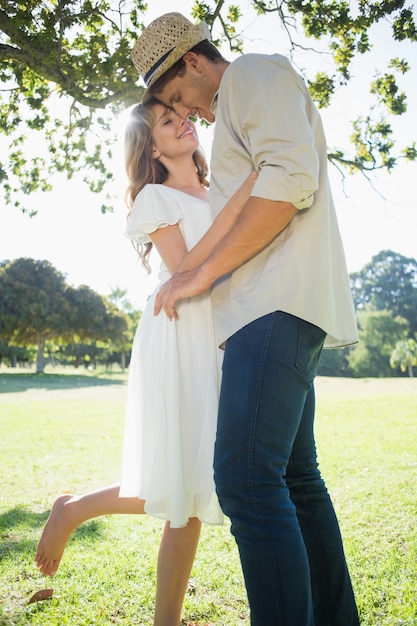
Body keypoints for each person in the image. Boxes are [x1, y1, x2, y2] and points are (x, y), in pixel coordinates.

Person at [130, 12, 361, 626]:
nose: (190, 115)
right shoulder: (233, 112)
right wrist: (190, 273)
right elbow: (243, 205)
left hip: (274, 304)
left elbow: (289, 181)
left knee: (245, 481)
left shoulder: (253, 75)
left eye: (180, 97)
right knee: (295, 479)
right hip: (274, 310)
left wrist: (202, 276)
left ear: (195, 62)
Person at [35, 98, 256, 626]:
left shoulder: (219, 187)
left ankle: (165, 620)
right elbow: (184, 270)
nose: (184, 121)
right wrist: (245, 197)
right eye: (167, 120)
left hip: (221, 334)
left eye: (183, 114)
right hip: (180, 332)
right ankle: (73, 510)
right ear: (153, 147)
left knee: (197, 490)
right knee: (180, 479)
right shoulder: (156, 197)